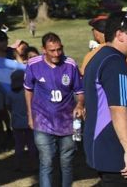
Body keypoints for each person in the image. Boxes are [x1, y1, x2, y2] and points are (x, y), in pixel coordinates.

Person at [83, 12, 127, 185]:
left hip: (107, 151)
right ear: (120, 35)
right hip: (117, 154)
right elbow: (118, 108)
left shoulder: (100, 57)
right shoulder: (115, 65)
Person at [23, 32, 84, 187]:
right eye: (52, 50)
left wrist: (80, 104)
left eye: (59, 49)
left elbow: (80, 91)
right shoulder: (33, 65)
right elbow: (28, 90)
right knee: (47, 160)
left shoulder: (70, 65)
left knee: (66, 162)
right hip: (42, 121)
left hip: (67, 122)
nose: (57, 54)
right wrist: (30, 115)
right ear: (44, 49)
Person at [9, 70, 33, 172]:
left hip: (16, 123)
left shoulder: (10, 94)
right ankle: (34, 165)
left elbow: (8, 106)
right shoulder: (28, 93)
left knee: (18, 145)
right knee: (31, 144)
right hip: (29, 123)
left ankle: (17, 165)